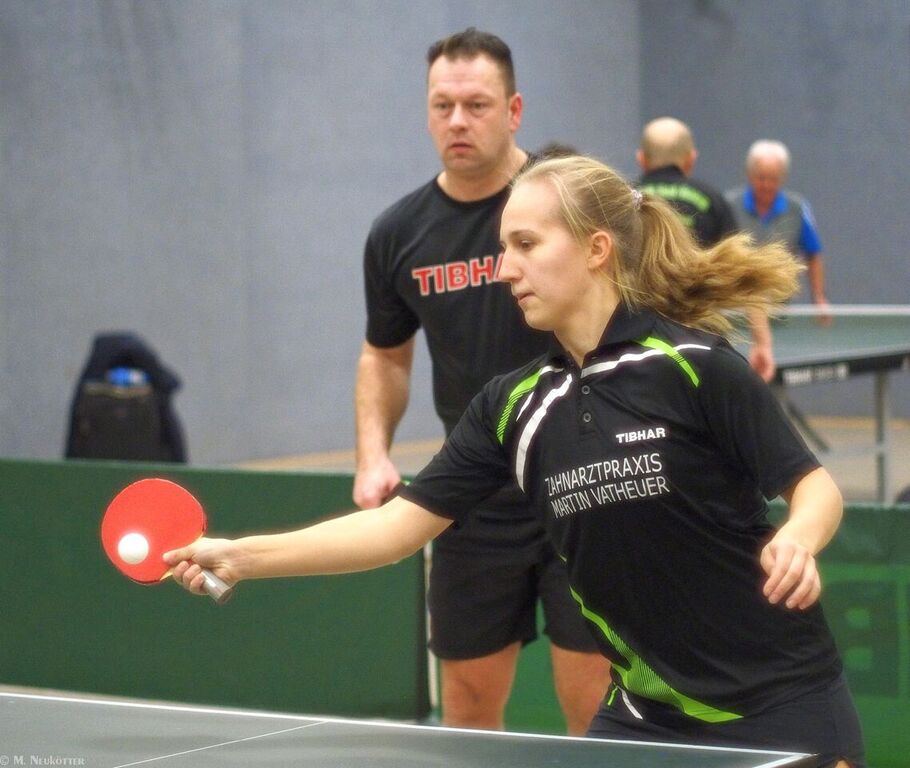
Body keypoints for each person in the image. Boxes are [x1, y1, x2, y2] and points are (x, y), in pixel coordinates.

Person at [168, 155, 865, 767]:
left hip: (779, 700)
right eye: (504, 248)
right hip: (648, 715)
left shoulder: (695, 367)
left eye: (526, 244)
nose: (505, 269)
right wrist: (241, 556)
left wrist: (798, 538)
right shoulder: (512, 407)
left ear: (596, 249)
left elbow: (815, 487)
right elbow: (394, 529)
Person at [350, 28, 609, 733]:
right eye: (443, 106)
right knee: (465, 702)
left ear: (514, 110)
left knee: (593, 699)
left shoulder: (571, 204)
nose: (458, 121)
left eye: (477, 105)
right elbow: (385, 355)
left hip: (585, 479)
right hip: (474, 491)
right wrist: (373, 454)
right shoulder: (398, 233)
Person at [636, 116, 775, 382]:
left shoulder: (622, 200)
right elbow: (744, 273)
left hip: (635, 345)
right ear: (690, 159)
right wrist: (763, 343)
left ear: (641, 159)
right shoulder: (711, 199)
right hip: (700, 342)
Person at [726, 139, 831, 322]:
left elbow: (813, 254)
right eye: (761, 178)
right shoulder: (728, 205)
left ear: (782, 178)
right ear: (749, 175)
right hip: (736, 311)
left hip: (780, 312)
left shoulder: (797, 209)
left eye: (773, 179)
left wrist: (819, 297)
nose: (767, 185)